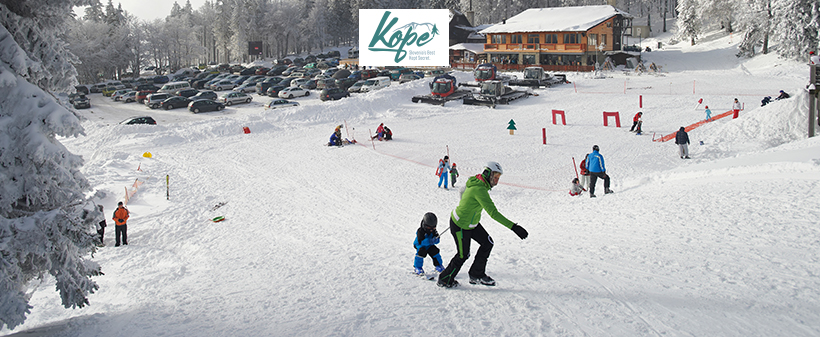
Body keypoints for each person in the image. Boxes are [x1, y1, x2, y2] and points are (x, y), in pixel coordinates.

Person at [437, 162, 528, 288]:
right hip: (460, 225)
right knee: (463, 255)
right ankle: (445, 279)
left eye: (498, 178)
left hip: (471, 224)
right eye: (495, 177)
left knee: (487, 243)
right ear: (487, 174)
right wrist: (514, 227)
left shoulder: (477, 182)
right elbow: (493, 213)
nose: (496, 181)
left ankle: (476, 274)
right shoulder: (479, 189)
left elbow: (463, 190)